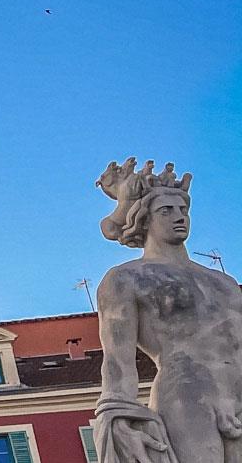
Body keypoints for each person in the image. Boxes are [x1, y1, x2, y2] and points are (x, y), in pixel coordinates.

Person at [91, 159, 242, 463]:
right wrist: (119, 417)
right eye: (166, 211)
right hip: (186, 391)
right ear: (144, 220)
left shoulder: (225, 284)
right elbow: (117, 360)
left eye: (183, 210)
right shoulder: (125, 279)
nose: (179, 217)